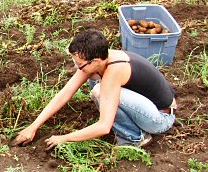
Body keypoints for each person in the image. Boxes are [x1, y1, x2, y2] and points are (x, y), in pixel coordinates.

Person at [12, 28, 177, 150]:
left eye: (79, 64)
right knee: (97, 85)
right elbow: (66, 93)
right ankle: (130, 128)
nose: (77, 67)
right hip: (145, 106)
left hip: (160, 119)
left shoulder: (115, 70)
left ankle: (134, 138)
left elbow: (104, 127)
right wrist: (33, 127)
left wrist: (63, 138)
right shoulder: (100, 59)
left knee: (99, 91)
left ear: (95, 60)